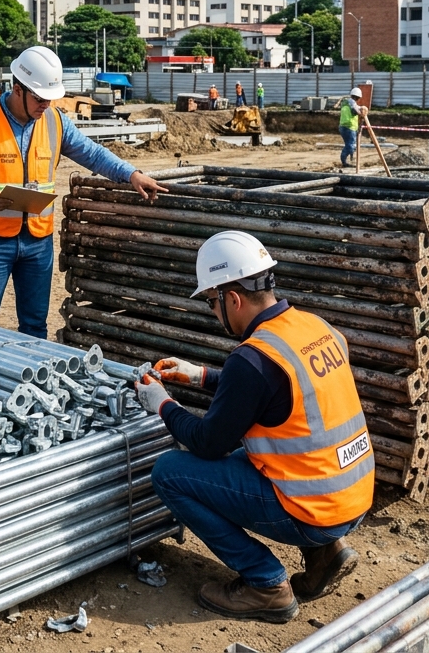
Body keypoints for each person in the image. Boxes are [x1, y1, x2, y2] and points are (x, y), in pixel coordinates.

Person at [136, 231, 374, 623]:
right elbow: (273, 394)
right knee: (256, 453)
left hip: (312, 510)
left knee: (170, 472)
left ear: (232, 298)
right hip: (351, 495)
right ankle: (327, 553)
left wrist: (162, 404)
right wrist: (202, 376)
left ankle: (265, 585)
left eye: (212, 302)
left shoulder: (253, 359)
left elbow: (207, 443)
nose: (214, 311)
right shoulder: (315, 328)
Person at [0, 46, 166, 338]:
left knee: (35, 325)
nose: (45, 105)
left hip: (38, 242)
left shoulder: (55, 121)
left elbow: (93, 154)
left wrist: (131, 174)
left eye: (50, 99)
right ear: (17, 88)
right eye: (39, 98)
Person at [339, 87, 367, 169]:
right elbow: (357, 110)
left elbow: (355, 107)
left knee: (349, 145)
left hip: (344, 127)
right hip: (349, 128)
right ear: (358, 97)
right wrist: (362, 112)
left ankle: (349, 158)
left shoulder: (345, 102)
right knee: (351, 145)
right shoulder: (351, 102)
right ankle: (344, 161)